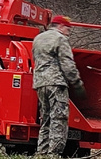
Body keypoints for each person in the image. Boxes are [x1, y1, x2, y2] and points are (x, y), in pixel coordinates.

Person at [32, 15, 85, 157]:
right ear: (61, 26)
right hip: (56, 83)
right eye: (68, 28)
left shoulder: (38, 38)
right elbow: (67, 64)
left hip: (40, 83)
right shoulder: (61, 39)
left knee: (46, 118)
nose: (69, 31)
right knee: (59, 119)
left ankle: (41, 152)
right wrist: (77, 83)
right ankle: (54, 154)